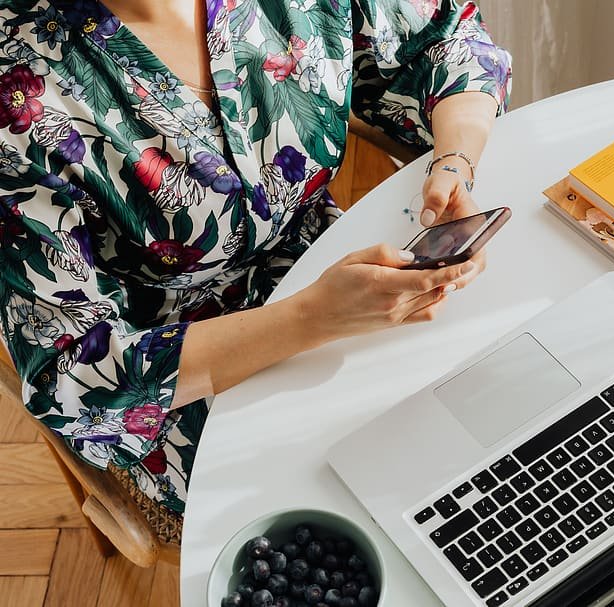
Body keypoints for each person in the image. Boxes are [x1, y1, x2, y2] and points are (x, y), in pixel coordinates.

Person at [0, 0, 511, 515]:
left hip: (342, 264)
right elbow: (70, 381)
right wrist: (315, 317)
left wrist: (456, 158)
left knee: (503, 433)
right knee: (391, 514)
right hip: (188, 374)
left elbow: (446, 38)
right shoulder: (14, 97)